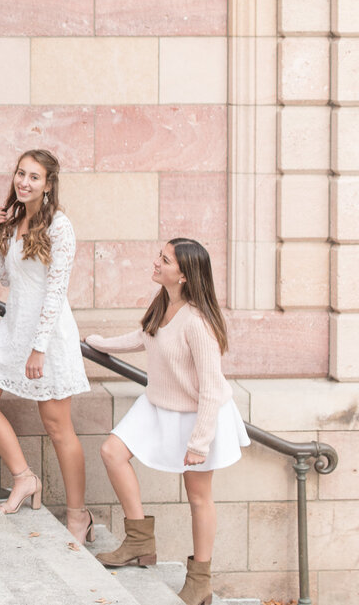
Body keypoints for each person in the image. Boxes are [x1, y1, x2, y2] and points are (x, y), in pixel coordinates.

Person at [84, 238, 249, 605]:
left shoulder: (199, 323)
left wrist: (199, 442)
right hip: (158, 403)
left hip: (198, 414)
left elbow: (209, 389)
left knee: (199, 497)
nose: (156, 263)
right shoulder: (164, 304)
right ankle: (140, 541)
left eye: (165, 259)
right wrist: (97, 343)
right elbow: (142, 337)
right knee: (112, 451)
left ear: (185, 275)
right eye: (160, 256)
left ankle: (200, 580)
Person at [0, 149, 93, 545]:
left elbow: (55, 292)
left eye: (34, 177)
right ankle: (24, 477)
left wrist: (39, 349)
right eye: (21, 173)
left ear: (48, 184)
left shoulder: (60, 226)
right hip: (13, 328)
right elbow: (8, 278)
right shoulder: (16, 218)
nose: (24, 182)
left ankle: (78, 515)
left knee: (57, 427)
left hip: (47, 336)